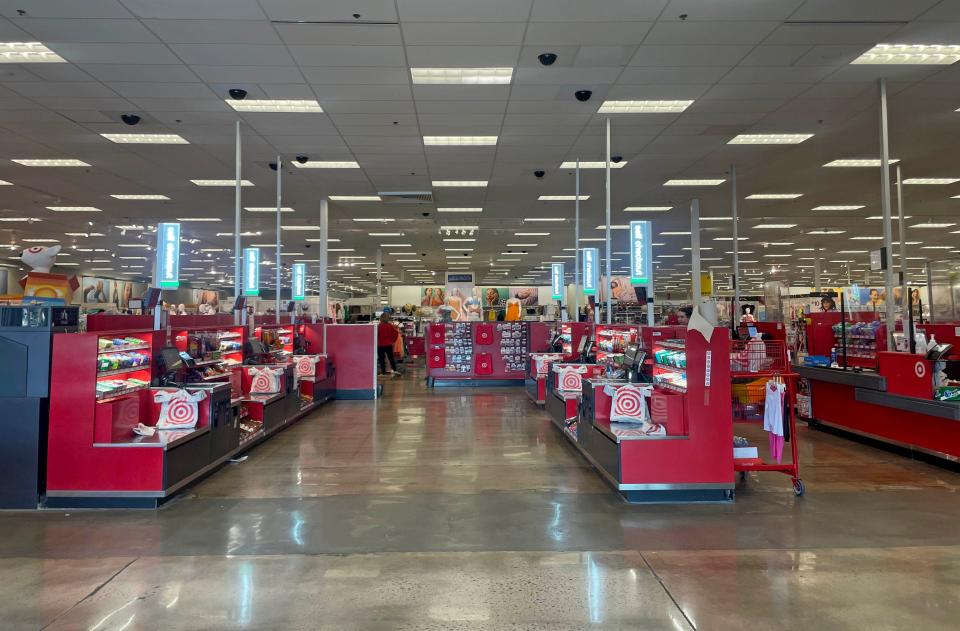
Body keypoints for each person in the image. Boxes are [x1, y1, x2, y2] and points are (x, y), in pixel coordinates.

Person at [376, 312, 399, 376]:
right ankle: (395, 370)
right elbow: (396, 333)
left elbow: (376, 334)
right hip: (389, 344)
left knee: (381, 359)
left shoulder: (379, 326)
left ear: (381, 318)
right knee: (391, 358)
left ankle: (383, 372)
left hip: (380, 345)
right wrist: (393, 341)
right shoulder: (390, 326)